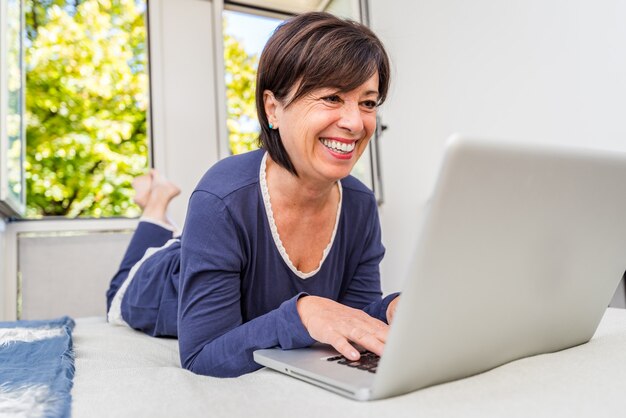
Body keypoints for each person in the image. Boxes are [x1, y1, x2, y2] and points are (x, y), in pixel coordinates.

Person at [106, 11, 399, 378]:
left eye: (368, 103)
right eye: (331, 97)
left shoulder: (359, 203)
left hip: (215, 238)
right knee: (120, 290)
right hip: (158, 284)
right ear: (273, 108)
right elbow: (201, 354)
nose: (355, 123)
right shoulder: (220, 198)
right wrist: (302, 314)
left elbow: (352, 317)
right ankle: (155, 205)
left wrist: (389, 309)